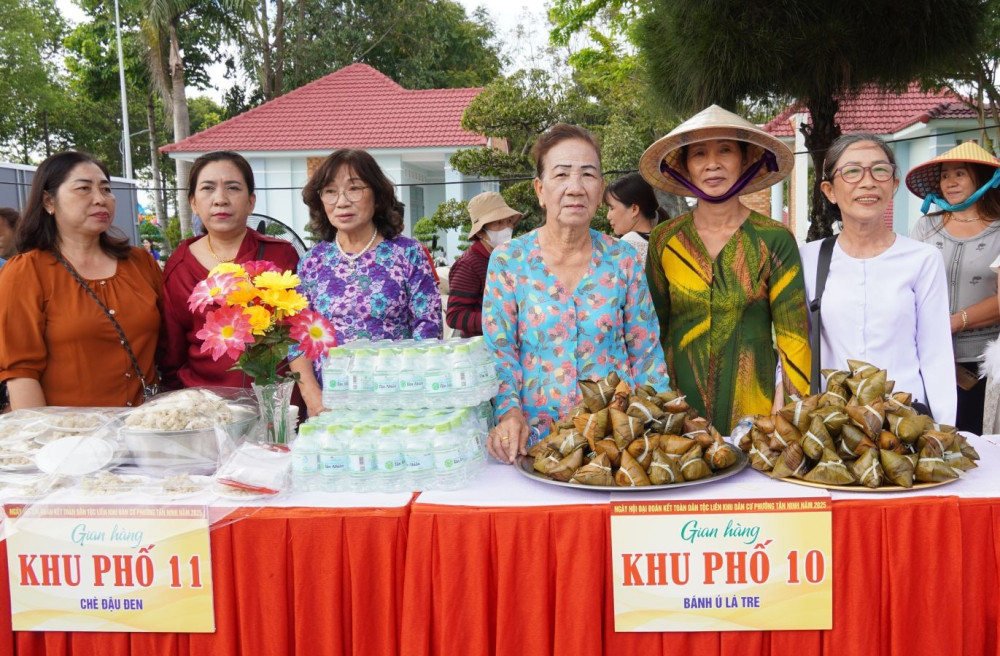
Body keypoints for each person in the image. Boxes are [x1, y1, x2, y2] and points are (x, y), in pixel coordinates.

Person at [483, 123, 670, 463]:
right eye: (561, 175)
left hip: (615, 446)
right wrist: (509, 414)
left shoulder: (622, 260)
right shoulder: (509, 261)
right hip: (535, 444)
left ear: (600, 190)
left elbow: (646, 353)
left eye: (587, 175)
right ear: (540, 190)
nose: (575, 188)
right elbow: (500, 353)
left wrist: (656, 421)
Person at [639, 105, 810, 433]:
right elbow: (652, 331)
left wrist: (785, 411)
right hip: (679, 415)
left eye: (726, 151)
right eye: (699, 154)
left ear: (745, 160)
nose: (712, 164)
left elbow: (794, 338)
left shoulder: (774, 239)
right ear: (686, 167)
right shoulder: (665, 240)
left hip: (756, 417)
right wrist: (659, 406)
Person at [801, 133, 956, 424]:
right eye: (852, 171)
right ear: (829, 190)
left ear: (894, 185)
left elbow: (936, 354)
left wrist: (944, 431)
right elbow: (796, 346)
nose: (868, 181)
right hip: (833, 425)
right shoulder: (808, 260)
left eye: (880, 170)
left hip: (905, 422)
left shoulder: (923, 259)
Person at [0, 152, 161, 408]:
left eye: (106, 189)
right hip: (71, 436)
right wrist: (46, 443)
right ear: (48, 201)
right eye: (84, 188)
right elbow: (21, 373)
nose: (100, 199)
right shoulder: (26, 271)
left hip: (145, 429)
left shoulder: (140, 262)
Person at [294, 149, 443, 410]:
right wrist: (314, 400)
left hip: (396, 403)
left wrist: (410, 396)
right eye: (330, 191)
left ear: (376, 196)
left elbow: (428, 332)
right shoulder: (312, 262)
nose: (341, 201)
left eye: (354, 188)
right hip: (329, 406)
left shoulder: (408, 254)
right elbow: (297, 338)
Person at [159, 151, 311, 403]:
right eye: (208, 188)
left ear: (251, 201)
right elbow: (172, 354)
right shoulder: (180, 265)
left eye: (232, 188)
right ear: (193, 203)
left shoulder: (280, 255)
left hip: (277, 404)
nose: (220, 199)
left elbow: (299, 333)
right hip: (208, 406)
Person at [905, 141, 1000, 434]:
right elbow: (909, 284)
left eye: (960, 173)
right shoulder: (925, 227)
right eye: (945, 175)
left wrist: (955, 323)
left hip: (982, 363)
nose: (950, 182)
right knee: (927, 440)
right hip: (927, 356)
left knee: (974, 445)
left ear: (982, 180)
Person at [446, 191, 522, 337]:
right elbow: (455, 316)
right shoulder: (469, 265)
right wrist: (497, 321)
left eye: (509, 221)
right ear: (480, 232)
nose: (506, 228)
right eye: (499, 223)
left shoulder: (508, 257)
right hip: (482, 347)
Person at [604, 173, 667, 263]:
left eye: (612, 208)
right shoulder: (664, 241)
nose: (608, 216)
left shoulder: (626, 245)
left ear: (634, 209)